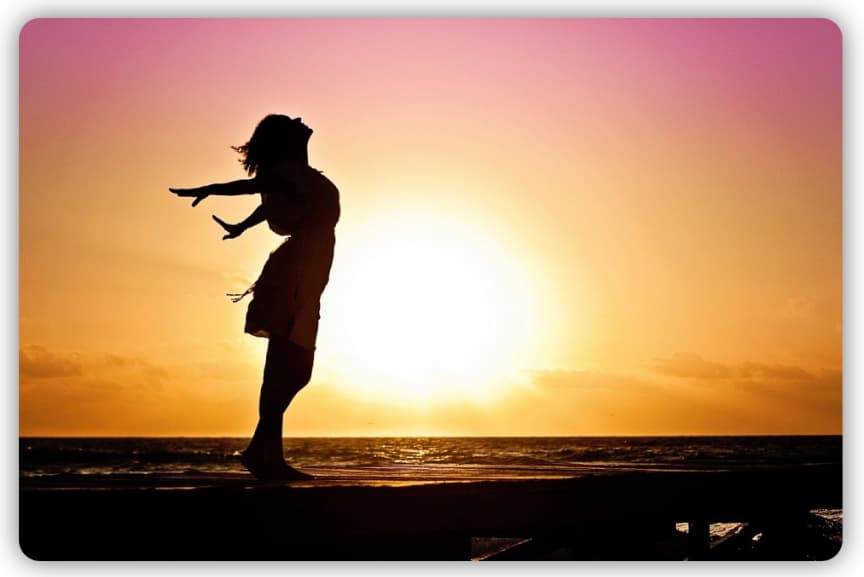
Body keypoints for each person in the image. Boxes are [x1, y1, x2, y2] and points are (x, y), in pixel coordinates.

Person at [170, 114, 340, 480]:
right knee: (288, 365)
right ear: (284, 138)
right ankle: (266, 455)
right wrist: (211, 189)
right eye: (291, 121)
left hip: (305, 275)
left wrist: (241, 226)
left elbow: (268, 203)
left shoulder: (299, 175)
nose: (300, 119)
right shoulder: (286, 171)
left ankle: (261, 451)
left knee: (293, 369)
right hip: (294, 275)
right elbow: (250, 188)